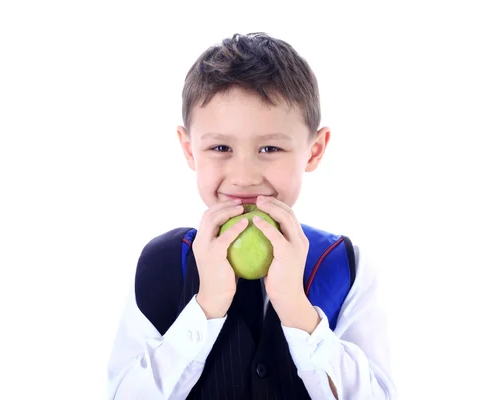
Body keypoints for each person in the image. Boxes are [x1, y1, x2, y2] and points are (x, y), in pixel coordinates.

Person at [107, 32, 396, 399]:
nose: (244, 176)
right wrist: (204, 309)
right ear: (189, 149)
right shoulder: (162, 266)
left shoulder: (344, 267)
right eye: (220, 147)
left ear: (314, 151)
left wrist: (297, 310)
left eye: (270, 147)